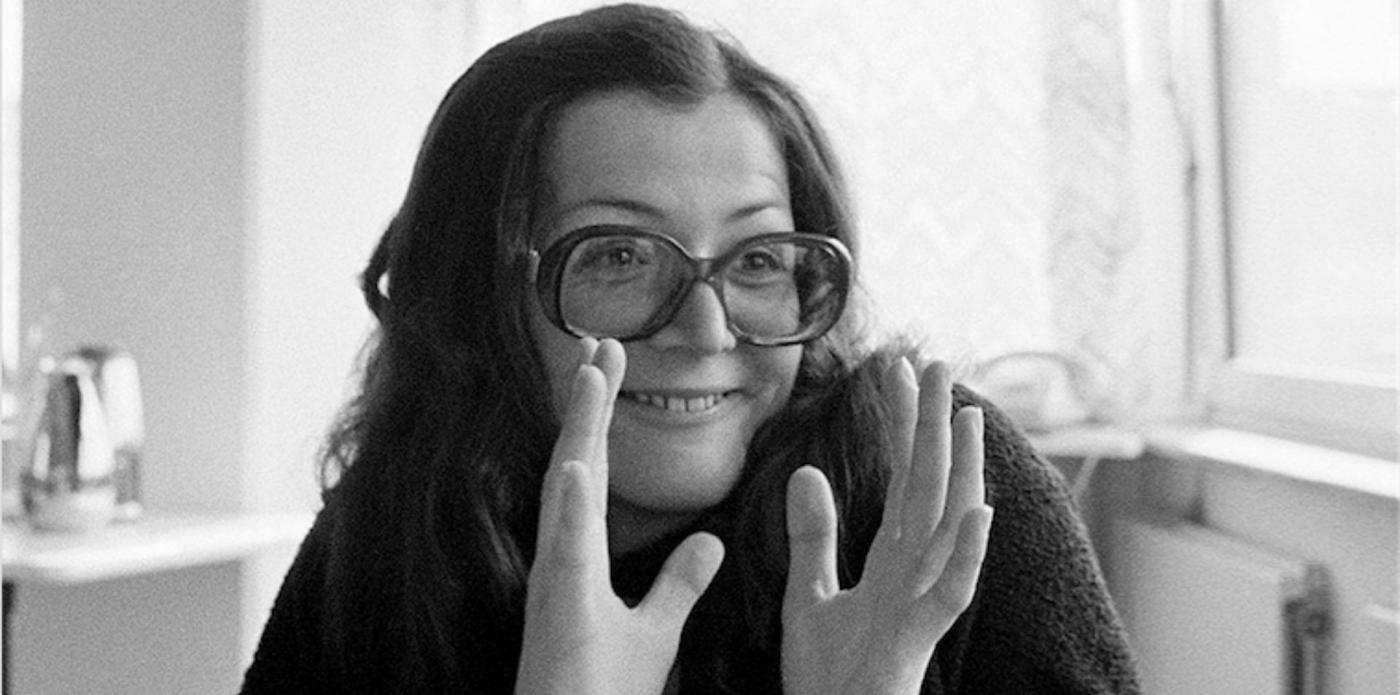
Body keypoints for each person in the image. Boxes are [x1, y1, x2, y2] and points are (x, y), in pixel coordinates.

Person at [239, 4, 1141, 694]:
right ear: (480, 295)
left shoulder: (931, 482)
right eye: (620, 257)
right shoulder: (392, 538)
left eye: (757, 259)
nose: (708, 330)